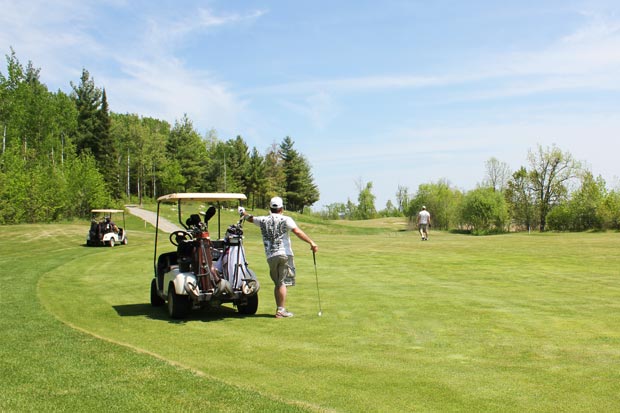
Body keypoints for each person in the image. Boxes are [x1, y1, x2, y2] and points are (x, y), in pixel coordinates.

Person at [239, 197, 318, 318]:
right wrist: (311, 242)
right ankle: (281, 310)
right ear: (282, 208)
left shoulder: (263, 220)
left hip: (270, 256)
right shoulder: (286, 219)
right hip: (284, 254)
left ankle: (280, 309)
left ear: (270, 208)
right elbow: (297, 231)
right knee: (281, 283)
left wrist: (242, 213)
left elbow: (250, 218)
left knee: (278, 283)